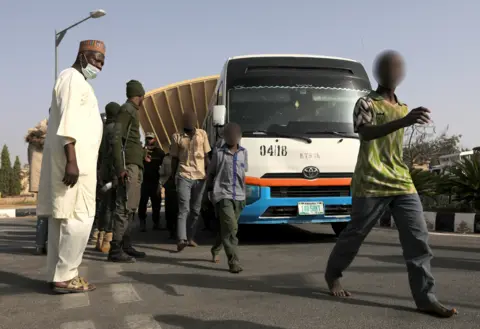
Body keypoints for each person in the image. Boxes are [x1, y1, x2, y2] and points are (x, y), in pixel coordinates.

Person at [324, 50, 457, 317]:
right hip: (371, 180)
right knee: (354, 235)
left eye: (397, 68)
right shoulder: (366, 103)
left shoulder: (402, 107)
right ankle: (333, 274)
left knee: (418, 239)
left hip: (400, 179)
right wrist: (404, 121)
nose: (393, 72)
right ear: (378, 73)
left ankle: (425, 298)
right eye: (388, 67)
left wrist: (405, 118)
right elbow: (365, 134)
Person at [36, 40, 106, 293]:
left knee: (63, 219)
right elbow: (69, 120)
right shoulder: (72, 79)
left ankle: (58, 275)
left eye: (102, 62)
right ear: (81, 55)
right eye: (95, 59)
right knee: (81, 219)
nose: (98, 65)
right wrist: (73, 161)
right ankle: (67, 275)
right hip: (75, 164)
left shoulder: (77, 81)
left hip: (76, 162)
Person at [108, 80, 148, 263]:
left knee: (131, 207)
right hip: (128, 166)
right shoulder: (126, 110)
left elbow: (129, 141)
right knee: (124, 208)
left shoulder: (132, 111)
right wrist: (120, 168)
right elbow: (116, 140)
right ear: (140, 95)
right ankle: (115, 249)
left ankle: (126, 245)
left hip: (135, 164)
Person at [206, 123, 247, 273]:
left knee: (226, 229)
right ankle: (233, 262)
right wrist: (209, 191)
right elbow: (210, 173)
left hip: (240, 196)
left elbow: (244, 173)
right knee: (231, 228)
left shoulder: (244, 153)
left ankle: (216, 248)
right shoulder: (219, 153)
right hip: (223, 194)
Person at [170, 111, 211, 251]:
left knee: (195, 210)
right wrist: (172, 177)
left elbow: (206, 156)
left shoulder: (202, 134)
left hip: (200, 177)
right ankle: (181, 239)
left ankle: (190, 237)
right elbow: (174, 158)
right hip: (184, 175)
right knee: (184, 209)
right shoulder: (176, 137)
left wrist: (208, 173)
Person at [95, 102, 121, 253]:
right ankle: (107, 241)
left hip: (101, 172)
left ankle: (99, 237)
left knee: (103, 206)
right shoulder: (114, 130)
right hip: (111, 172)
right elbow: (114, 154)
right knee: (112, 206)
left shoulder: (101, 130)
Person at [25, 118, 48, 255]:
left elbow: (30, 161)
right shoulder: (52, 139)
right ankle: (49, 244)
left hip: (38, 181)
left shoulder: (31, 142)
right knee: (52, 215)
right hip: (50, 179)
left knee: (41, 214)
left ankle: (39, 245)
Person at [138, 132, 165, 232]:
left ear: (154, 140)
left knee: (156, 203)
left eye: (151, 138)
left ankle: (156, 222)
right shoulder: (141, 151)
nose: (149, 140)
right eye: (147, 138)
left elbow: (164, 163)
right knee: (142, 203)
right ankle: (142, 223)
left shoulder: (159, 152)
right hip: (143, 181)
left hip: (155, 181)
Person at [158, 153, 178, 240]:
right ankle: (174, 230)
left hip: (172, 184)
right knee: (174, 209)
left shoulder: (167, 158)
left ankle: (173, 230)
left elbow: (161, 172)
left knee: (172, 209)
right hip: (174, 184)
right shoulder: (179, 157)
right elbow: (161, 172)